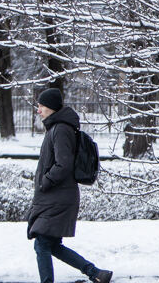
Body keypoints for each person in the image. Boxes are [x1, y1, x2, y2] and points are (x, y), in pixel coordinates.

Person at [27, 87, 113, 283]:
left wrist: (45, 181)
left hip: (57, 196)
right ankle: (96, 273)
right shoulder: (57, 128)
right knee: (52, 245)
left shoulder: (60, 129)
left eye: (41, 106)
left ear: (51, 108)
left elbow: (63, 163)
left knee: (42, 243)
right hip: (56, 196)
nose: (38, 110)